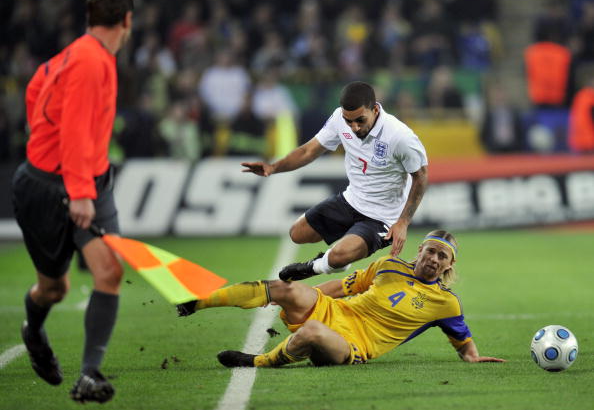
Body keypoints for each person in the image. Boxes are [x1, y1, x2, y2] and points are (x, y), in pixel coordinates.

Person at [11, 0, 133, 404]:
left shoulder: (75, 54)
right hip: (53, 188)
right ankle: (33, 331)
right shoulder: (92, 62)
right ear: (128, 21)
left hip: (86, 182)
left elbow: (34, 89)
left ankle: (90, 374)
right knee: (53, 290)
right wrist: (78, 190)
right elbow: (78, 129)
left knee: (110, 272)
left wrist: (43, 138)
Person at [177, 230, 505, 367]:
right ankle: (200, 301)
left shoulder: (446, 303)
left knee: (312, 332)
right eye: (431, 250)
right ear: (420, 250)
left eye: (442, 256)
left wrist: (473, 357)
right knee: (284, 288)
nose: (434, 258)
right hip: (336, 311)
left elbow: (462, 340)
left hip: (355, 345)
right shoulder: (387, 265)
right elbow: (342, 286)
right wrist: (299, 298)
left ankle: (256, 361)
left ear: (449, 265)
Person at [242, 81, 428, 282]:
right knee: (297, 233)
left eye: (360, 120)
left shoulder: (400, 137)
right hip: (351, 201)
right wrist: (273, 167)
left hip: (382, 218)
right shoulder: (339, 118)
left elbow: (421, 176)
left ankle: (316, 266)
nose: (354, 127)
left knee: (338, 256)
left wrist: (402, 222)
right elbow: (308, 150)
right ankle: (339, 255)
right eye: (349, 121)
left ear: (375, 109)